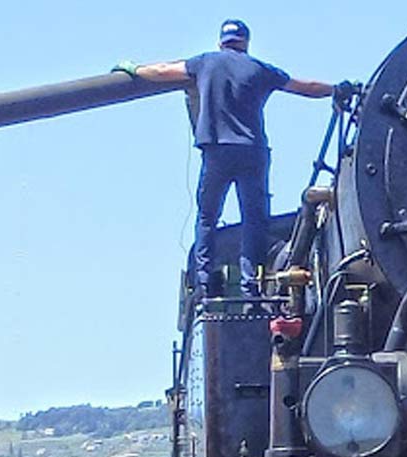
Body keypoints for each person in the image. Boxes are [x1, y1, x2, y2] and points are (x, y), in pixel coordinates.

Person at [114, 19, 343, 298]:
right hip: (252, 152)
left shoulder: (204, 63)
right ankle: (251, 286)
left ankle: (205, 282)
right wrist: (337, 89)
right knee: (254, 220)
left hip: (217, 151)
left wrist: (134, 69)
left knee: (208, 218)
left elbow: (162, 71)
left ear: (220, 41)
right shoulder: (260, 69)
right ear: (245, 42)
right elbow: (306, 87)